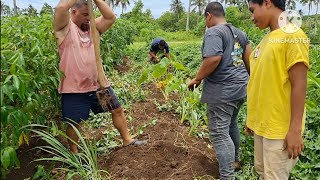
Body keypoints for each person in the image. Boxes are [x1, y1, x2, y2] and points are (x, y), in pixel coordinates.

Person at [53, 0, 146, 154]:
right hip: (74, 88)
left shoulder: (93, 28)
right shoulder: (64, 30)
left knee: (116, 110)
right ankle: (74, 153)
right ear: (73, 12)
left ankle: (127, 140)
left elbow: (110, 17)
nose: (88, 18)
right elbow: (62, 7)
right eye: (85, 15)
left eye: (90, 15)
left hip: (98, 86)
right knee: (75, 122)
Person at [246, 0, 310, 179]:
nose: (252, 17)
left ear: (267, 3)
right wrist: (252, 118)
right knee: (263, 173)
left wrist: (295, 130)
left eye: (253, 10)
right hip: (262, 125)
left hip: (279, 130)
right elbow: (261, 83)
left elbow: (299, 84)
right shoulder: (266, 40)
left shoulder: (293, 35)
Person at [187, 2, 251, 179]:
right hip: (240, 88)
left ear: (209, 15)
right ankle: (235, 161)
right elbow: (249, 60)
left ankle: (227, 176)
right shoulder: (240, 33)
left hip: (222, 91)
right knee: (231, 124)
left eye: (205, 19)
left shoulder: (214, 32)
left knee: (219, 133)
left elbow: (213, 59)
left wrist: (197, 79)